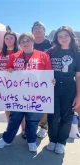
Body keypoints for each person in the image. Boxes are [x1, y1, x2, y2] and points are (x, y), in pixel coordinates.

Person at [0, 33, 52, 152]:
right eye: (22, 42)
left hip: (35, 96)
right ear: (19, 44)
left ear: (33, 41)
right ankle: (7, 139)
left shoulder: (44, 56)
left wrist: (52, 80)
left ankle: (31, 141)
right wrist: (9, 70)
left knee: (33, 120)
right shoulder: (14, 56)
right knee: (14, 118)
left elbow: (48, 74)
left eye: (28, 41)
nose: (25, 43)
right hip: (18, 95)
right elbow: (6, 71)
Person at [47, 26, 80, 154]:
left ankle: (61, 142)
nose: (63, 38)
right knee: (53, 115)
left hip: (69, 87)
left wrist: (78, 95)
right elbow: (42, 67)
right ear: (56, 38)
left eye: (66, 35)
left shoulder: (76, 54)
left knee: (67, 115)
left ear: (71, 37)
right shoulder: (51, 52)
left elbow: (78, 76)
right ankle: (52, 139)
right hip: (53, 86)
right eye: (60, 36)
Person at [0, 30, 26, 138]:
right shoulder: (0, 54)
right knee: (7, 106)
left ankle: (24, 128)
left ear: (15, 39)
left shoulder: (21, 52)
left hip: (19, 84)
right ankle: (10, 127)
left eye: (11, 38)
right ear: (4, 40)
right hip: (4, 84)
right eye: (6, 38)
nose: (9, 40)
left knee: (21, 106)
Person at [32, 21, 53, 138]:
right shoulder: (28, 43)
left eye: (40, 27)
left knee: (44, 102)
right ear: (32, 31)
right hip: (30, 78)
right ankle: (31, 125)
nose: (38, 29)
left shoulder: (51, 44)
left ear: (44, 31)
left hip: (46, 78)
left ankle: (44, 126)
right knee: (31, 102)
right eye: (35, 28)